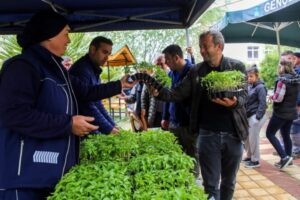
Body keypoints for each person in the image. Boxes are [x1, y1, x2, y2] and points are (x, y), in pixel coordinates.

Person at [0, 11, 133, 199]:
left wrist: (120, 84)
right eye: (66, 33)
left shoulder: (56, 69)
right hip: (24, 179)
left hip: (47, 175)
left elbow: (86, 92)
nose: (69, 40)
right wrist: (68, 124)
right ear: (49, 34)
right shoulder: (22, 66)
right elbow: (15, 114)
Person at [152, 30, 248, 200]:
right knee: (210, 185)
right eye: (200, 47)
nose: (202, 50)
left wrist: (234, 103)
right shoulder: (196, 71)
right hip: (206, 135)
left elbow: (244, 95)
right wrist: (157, 90)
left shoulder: (237, 67)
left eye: (205, 46)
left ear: (219, 46)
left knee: (229, 181)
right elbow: (176, 93)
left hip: (233, 134)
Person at [70, 36, 119, 135]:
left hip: (87, 126)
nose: (107, 58)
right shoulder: (82, 69)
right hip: (79, 128)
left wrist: (113, 125)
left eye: (109, 54)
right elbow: (86, 105)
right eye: (104, 52)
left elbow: (98, 103)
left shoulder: (93, 69)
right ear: (93, 49)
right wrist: (109, 129)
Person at [161, 44, 194, 157]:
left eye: (167, 59)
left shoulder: (192, 72)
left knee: (192, 157)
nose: (166, 63)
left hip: (188, 125)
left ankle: (193, 175)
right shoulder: (171, 74)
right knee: (175, 156)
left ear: (176, 58)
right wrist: (165, 117)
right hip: (173, 123)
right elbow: (167, 97)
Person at [266, 60, 299, 169]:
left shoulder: (282, 81)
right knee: (285, 135)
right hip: (291, 112)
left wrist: (271, 97)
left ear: (282, 67)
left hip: (281, 113)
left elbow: (279, 98)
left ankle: (284, 157)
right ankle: (288, 159)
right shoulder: (296, 80)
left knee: (270, 133)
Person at [243, 66, 267, 168]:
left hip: (256, 116)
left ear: (257, 76)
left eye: (251, 76)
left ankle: (255, 160)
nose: (249, 79)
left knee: (254, 139)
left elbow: (263, 103)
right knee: (248, 138)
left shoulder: (260, 87)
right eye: (248, 77)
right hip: (249, 116)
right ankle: (249, 156)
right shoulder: (250, 86)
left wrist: (257, 117)